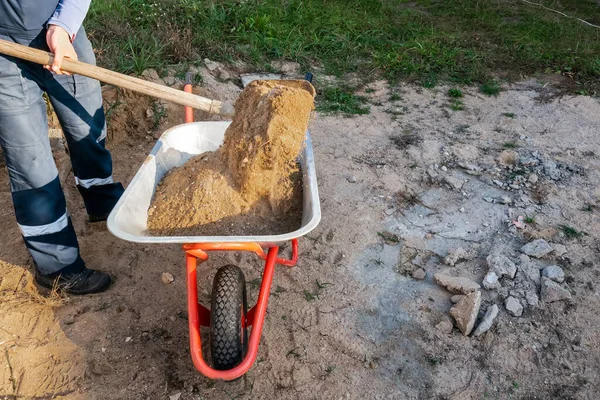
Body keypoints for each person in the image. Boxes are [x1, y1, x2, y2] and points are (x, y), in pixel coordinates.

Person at [0, 0, 124, 294]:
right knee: (30, 161)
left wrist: (63, 26)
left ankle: (103, 203)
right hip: (3, 53)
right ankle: (58, 268)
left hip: (62, 33)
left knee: (87, 129)